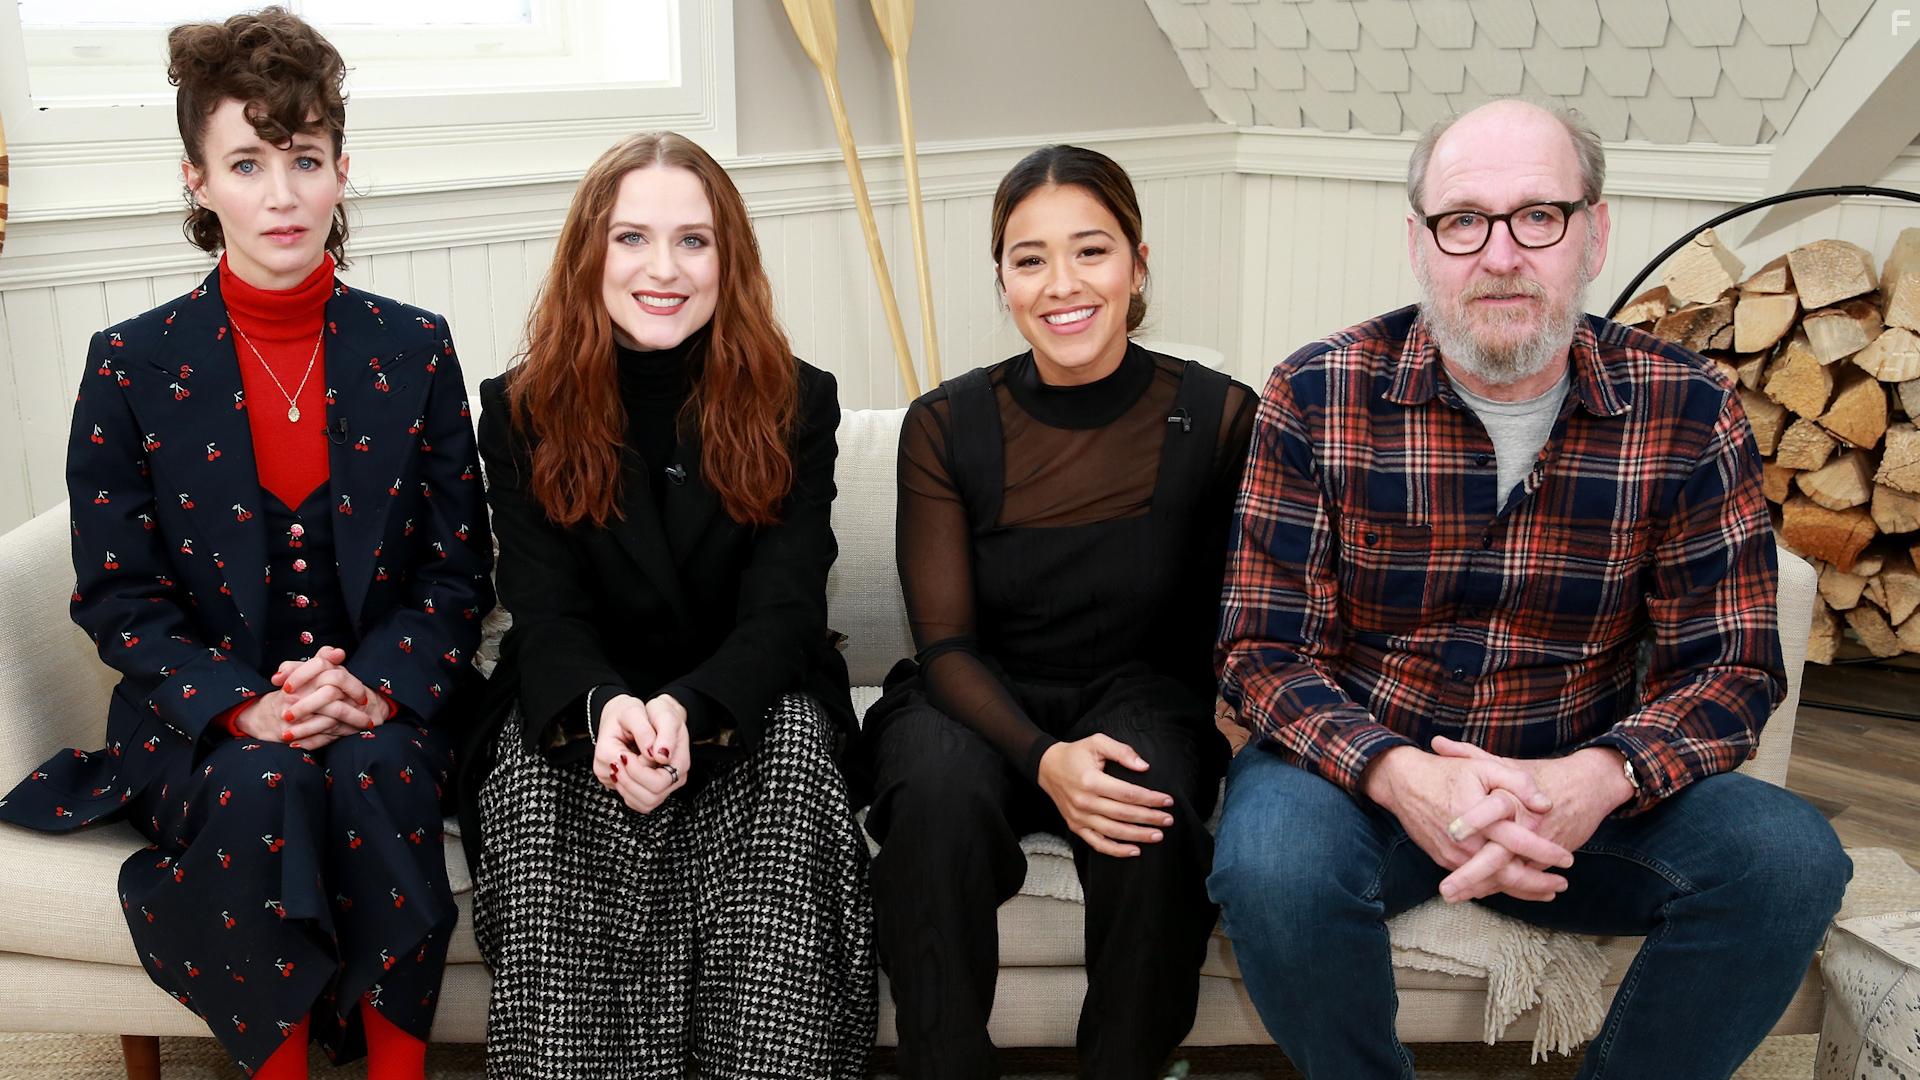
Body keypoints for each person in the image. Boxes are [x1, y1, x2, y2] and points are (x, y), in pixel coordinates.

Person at [1209, 98, 1852, 1079]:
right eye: (1464, 220)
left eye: (1538, 216)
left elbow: (1734, 667)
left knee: (1791, 859)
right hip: (1361, 783)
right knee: (1271, 865)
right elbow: (1261, 651)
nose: (1500, 255)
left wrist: (1596, 779)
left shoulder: (1687, 406)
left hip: (1581, 789)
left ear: (1594, 233)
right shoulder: (1317, 391)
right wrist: (1401, 775)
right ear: (1419, 243)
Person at [0, 9, 494, 1078]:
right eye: (247, 163)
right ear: (197, 181)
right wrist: (244, 708)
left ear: (341, 171)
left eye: (305, 159)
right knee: (264, 783)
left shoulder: (415, 347)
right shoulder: (129, 365)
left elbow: (456, 571)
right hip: (203, 727)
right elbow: (119, 597)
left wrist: (371, 691)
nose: (281, 194)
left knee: (375, 771)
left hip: (383, 708)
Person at [466, 130, 874, 1079]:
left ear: (729, 260)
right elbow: (545, 611)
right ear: (589, 255)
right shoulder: (520, 408)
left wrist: (690, 711)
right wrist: (606, 711)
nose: (664, 269)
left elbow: (785, 610)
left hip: (743, 693)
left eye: (694, 241)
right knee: (532, 778)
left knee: (795, 758)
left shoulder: (796, 401)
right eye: (632, 238)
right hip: (582, 693)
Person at [860, 144, 1256, 1079]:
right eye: (1029, 259)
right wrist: (1044, 758)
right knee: (937, 804)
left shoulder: (1219, 416)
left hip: (1142, 690)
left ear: (1137, 265)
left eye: (1091, 250)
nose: (1062, 284)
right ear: (1002, 280)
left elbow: (1237, 622)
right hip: (975, 691)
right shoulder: (945, 425)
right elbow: (945, 646)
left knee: (1141, 808)